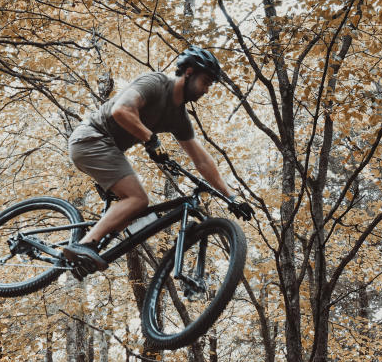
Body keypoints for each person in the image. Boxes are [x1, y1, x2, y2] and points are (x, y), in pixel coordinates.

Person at [62, 46, 254, 272]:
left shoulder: (179, 118)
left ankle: (80, 258)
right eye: (206, 82)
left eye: (210, 85)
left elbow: (201, 160)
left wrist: (231, 197)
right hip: (92, 138)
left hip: (105, 149)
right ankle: (85, 245)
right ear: (189, 72)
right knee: (138, 199)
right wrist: (150, 139)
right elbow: (121, 110)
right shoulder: (155, 83)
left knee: (133, 212)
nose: (207, 90)